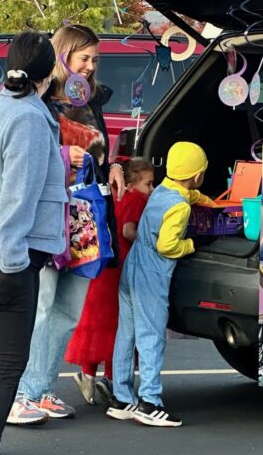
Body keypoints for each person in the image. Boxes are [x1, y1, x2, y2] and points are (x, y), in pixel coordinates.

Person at [9, 24, 127, 422]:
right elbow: (28, 154)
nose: (91, 67)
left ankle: (41, 388)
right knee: (42, 307)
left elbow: (98, 152)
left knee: (67, 311)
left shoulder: (90, 100)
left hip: (86, 216)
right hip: (49, 215)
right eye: (84, 58)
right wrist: (65, 156)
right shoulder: (38, 100)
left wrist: (112, 168)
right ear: (63, 56)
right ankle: (22, 391)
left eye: (95, 59)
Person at [0, 30, 67, 453]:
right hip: (5, 252)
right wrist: (14, 262)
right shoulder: (28, 117)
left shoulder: (8, 107)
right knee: (7, 365)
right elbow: (17, 196)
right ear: (49, 71)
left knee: (0, 365)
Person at [109, 143, 211, 428]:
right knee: (151, 336)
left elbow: (186, 192)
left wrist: (203, 199)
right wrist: (193, 243)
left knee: (126, 334)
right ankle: (150, 402)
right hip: (152, 273)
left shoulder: (162, 190)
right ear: (198, 175)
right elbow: (167, 246)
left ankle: (122, 398)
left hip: (132, 268)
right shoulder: (179, 207)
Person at [66, 157, 154, 406]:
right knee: (121, 325)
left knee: (95, 322)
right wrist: (149, 240)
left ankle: (88, 374)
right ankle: (113, 378)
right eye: (148, 183)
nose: (151, 189)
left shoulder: (114, 194)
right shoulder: (137, 199)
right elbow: (128, 230)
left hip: (103, 266)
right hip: (122, 267)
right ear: (135, 182)